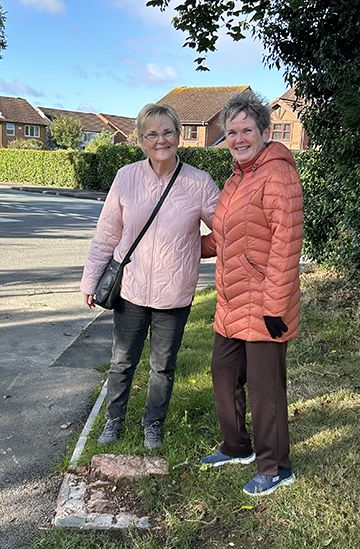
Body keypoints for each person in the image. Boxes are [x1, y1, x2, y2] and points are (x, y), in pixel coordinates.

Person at [80, 103, 220, 449]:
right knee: (122, 360)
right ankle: (114, 420)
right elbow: (107, 234)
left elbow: (225, 229)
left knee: (163, 366)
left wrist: (194, 247)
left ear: (178, 135)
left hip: (175, 292)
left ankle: (152, 425)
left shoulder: (199, 183)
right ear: (141, 140)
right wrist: (90, 279)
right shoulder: (126, 178)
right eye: (152, 134)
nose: (162, 140)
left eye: (168, 132)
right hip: (131, 288)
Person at [197, 91, 303, 497]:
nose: (238, 138)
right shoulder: (237, 176)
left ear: (263, 130)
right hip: (232, 300)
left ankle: (275, 466)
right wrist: (188, 242)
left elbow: (286, 241)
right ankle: (236, 446)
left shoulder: (277, 173)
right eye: (231, 132)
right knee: (224, 375)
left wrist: (275, 307)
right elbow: (227, 236)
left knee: (265, 389)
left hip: (266, 304)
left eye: (245, 130)